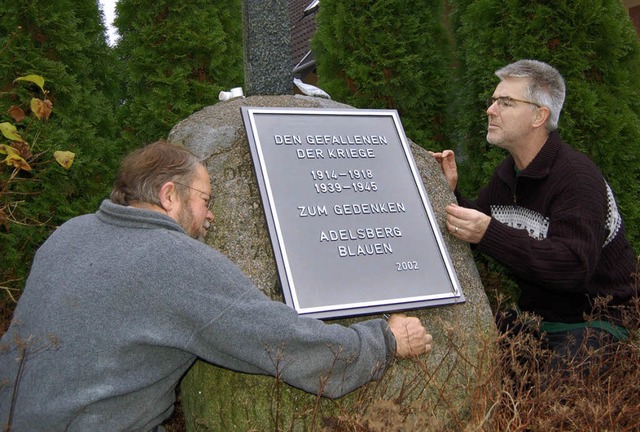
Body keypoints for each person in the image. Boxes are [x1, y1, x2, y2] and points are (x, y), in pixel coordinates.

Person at [0, 141, 432, 432]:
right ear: (170, 196)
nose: (210, 217)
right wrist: (385, 340)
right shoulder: (175, 261)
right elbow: (284, 342)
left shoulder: (68, 234)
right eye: (205, 200)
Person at [432, 59, 637, 370]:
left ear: (539, 116)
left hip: (601, 322)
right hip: (537, 320)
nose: (491, 110)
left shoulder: (576, 178)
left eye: (506, 102)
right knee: (462, 353)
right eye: (493, 101)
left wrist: (488, 232)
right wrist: (451, 192)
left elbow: (572, 267)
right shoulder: (508, 175)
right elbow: (478, 228)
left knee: (559, 386)